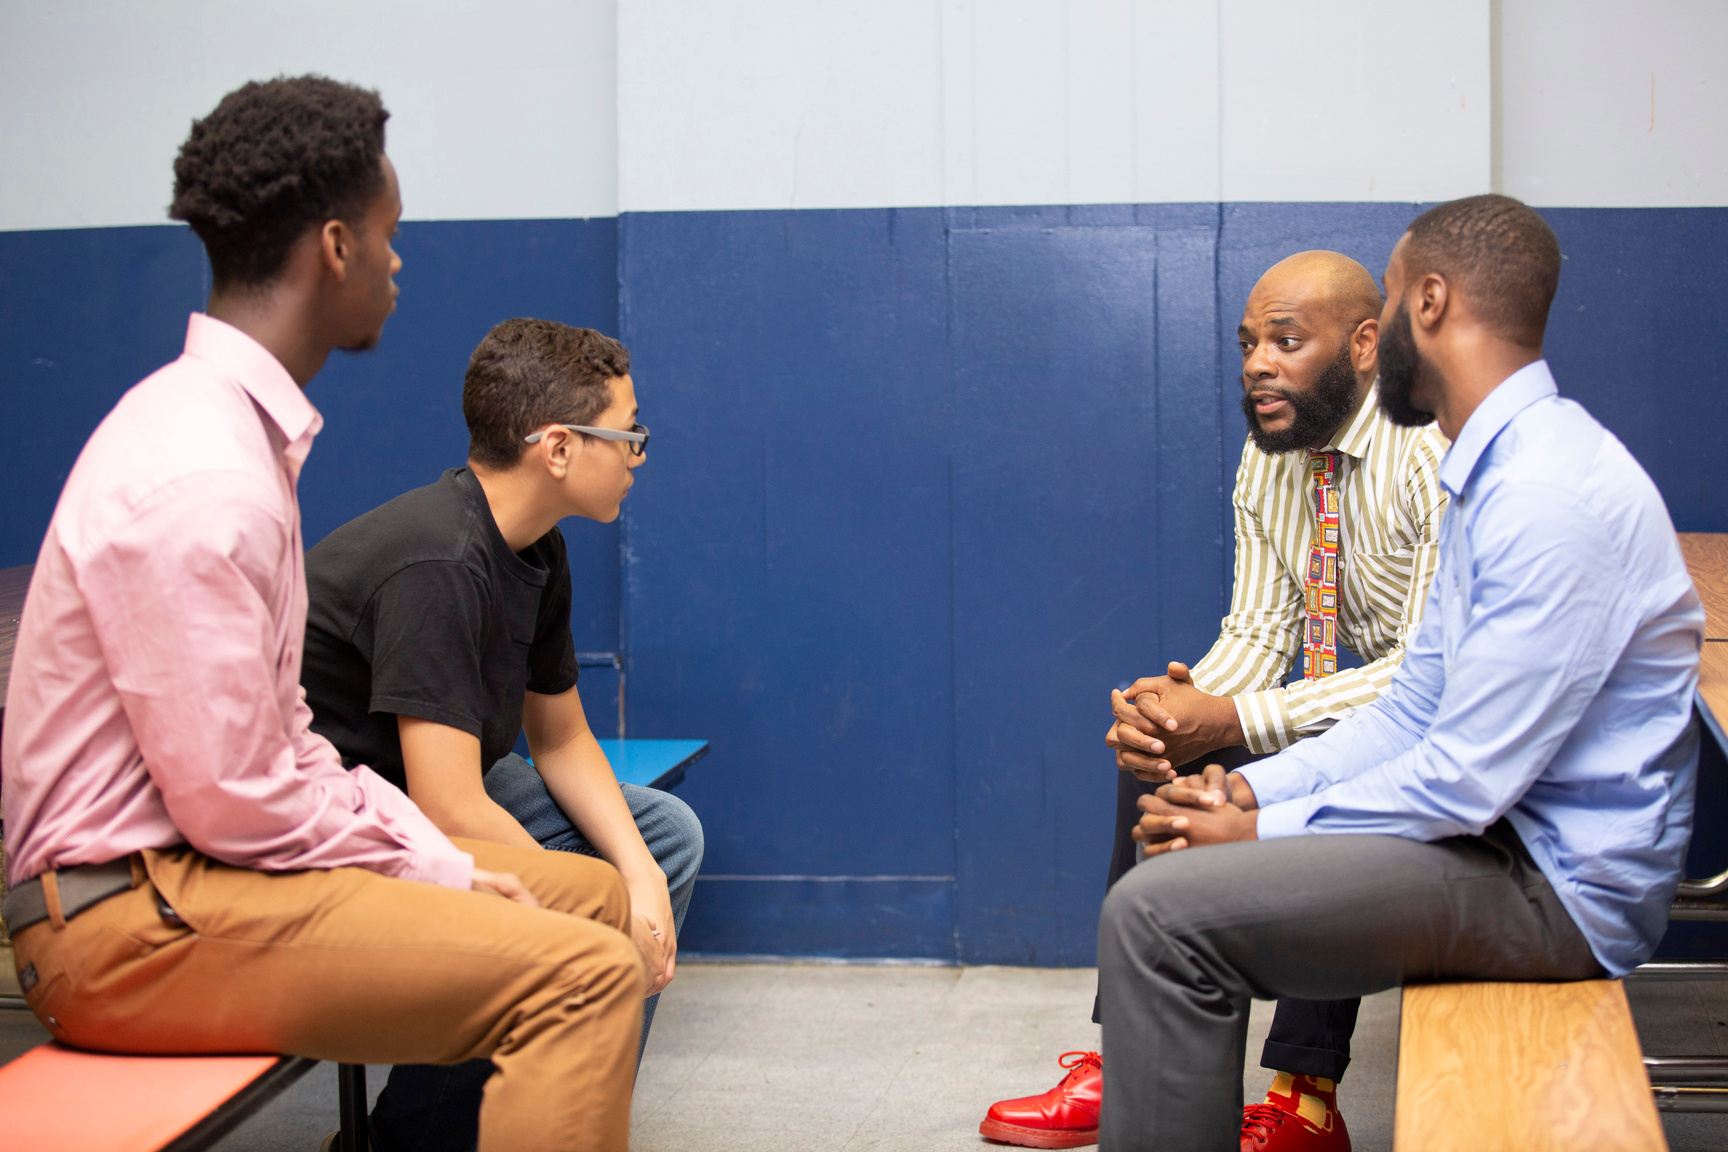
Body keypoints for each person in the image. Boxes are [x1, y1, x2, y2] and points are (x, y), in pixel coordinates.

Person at [0, 77, 645, 1152]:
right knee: (581, 977)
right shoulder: (202, 472)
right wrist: (433, 861)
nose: (399, 264)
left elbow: (283, 750)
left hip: (195, 883)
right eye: (390, 236)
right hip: (125, 923)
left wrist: (428, 856)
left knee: (590, 906)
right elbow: (240, 805)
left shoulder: (234, 439)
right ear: (335, 247)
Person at [1096, 194, 1701, 1152]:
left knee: (1160, 920)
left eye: (1386, 296)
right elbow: (1413, 706)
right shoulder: (1492, 469)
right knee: (1167, 862)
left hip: (1549, 886)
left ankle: (1293, 1094)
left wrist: (1259, 831)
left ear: (1426, 303)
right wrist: (1241, 785)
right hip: (1495, 843)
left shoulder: (1543, 493)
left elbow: (1464, 779)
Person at [983, 251, 1449, 1152]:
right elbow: (1262, 633)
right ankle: (1135, 1054)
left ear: (1362, 345)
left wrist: (1234, 719)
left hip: (1434, 732)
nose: (1257, 365)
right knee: (1163, 753)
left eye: (1285, 340)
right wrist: (1182, 710)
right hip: (1347, 699)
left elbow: (1430, 678)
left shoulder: (1428, 450)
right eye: (1248, 344)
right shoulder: (1270, 455)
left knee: (1338, 764)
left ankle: (1305, 1097)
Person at [300, 317, 703, 1151]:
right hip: (343, 813)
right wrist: (583, 898)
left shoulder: (537, 547)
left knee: (664, 838)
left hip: (435, 782)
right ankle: (421, 1138)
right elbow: (446, 807)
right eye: (628, 436)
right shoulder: (438, 562)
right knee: (574, 902)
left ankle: (564, 1113)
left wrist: (642, 882)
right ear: (558, 447)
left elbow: (559, 738)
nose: (637, 455)